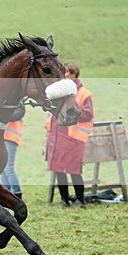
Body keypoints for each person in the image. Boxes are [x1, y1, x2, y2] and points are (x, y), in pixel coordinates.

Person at [45, 61, 94, 208]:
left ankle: (80, 200)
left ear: (74, 74)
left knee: (74, 170)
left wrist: (72, 111)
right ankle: (64, 199)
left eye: (66, 73)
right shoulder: (59, 92)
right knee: (59, 170)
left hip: (73, 138)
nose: (63, 76)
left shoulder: (84, 94)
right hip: (56, 136)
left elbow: (88, 114)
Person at [0, 110, 25, 198]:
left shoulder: (19, 104)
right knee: (3, 168)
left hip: (10, 138)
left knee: (8, 168)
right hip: (3, 137)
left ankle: (17, 193)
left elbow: (15, 115)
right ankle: (6, 193)